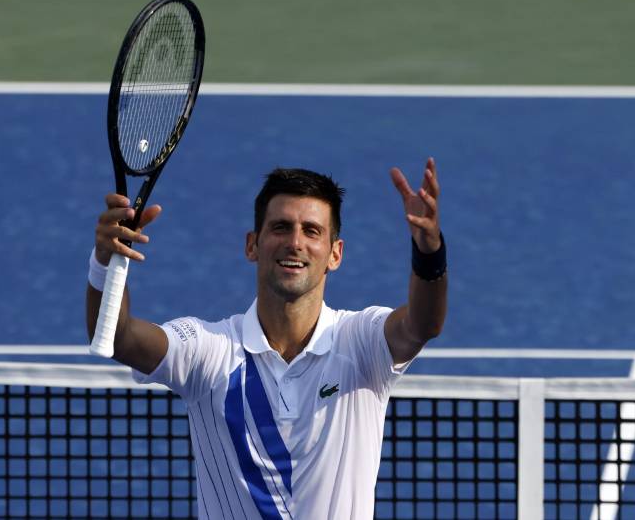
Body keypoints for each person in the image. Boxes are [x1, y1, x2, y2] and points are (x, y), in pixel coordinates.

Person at [85, 159, 448, 519]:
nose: (295, 243)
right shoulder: (208, 350)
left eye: (311, 231)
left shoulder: (361, 343)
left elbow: (422, 325)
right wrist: (105, 261)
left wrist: (429, 252)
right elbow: (119, 337)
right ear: (252, 245)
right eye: (280, 228)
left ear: (335, 254)